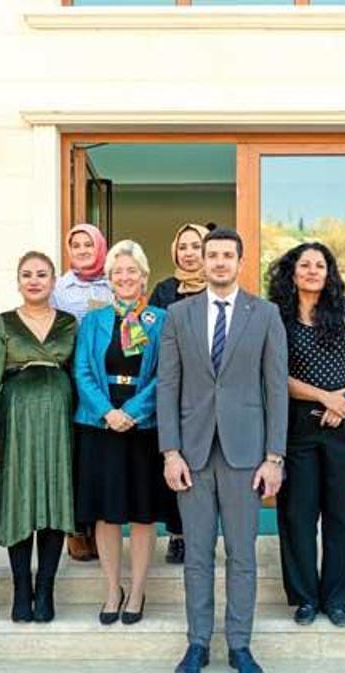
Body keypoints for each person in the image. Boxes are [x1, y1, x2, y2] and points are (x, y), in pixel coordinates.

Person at [158, 228, 288, 673]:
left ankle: (239, 645)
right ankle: (197, 644)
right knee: (196, 555)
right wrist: (170, 451)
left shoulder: (265, 314)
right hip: (191, 454)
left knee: (241, 555)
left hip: (246, 454)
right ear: (201, 260)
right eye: (210, 254)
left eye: (226, 255)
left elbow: (276, 389)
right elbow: (168, 386)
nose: (217, 262)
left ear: (240, 262)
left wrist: (274, 457)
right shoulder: (178, 315)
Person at [266, 242, 345, 628]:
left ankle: (336, 599)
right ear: (292, 272)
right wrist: (324, 396)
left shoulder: (344, 311)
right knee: (297, 514)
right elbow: (273, 374)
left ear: (329, 273)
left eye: (320, 265)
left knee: (341, 514)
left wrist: (344, 398)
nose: (312, 271)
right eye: (305, 265)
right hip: (297, 425)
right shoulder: (276, 317)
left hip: (343, 424)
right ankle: (305, 598)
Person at [73, 239, 172, 627]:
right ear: (109, 278)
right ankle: (113, 588)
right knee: (107, 512)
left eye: (132, 271)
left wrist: (131, 411)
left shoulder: (160, 320)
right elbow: (82, 370)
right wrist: (108, 412)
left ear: (144, 277)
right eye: (118, 272)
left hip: (143, 425)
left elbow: (167, 374)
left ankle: (137, 590)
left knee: (142, 513)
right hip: (100, 423)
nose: (125, 277)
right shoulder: (93, 321)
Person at [0, 252, 77, 624]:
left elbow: (78, 373)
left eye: (42, 274)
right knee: (18, 501)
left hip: (59, 422)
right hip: (14, 421)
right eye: (27, 275)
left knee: (54, 498)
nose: (34, 280)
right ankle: (21, 589)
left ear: (53, 281)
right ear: (18, 281)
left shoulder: (69, 323)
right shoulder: (3, 323)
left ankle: (46, 589)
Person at [148, 222, 210, 565]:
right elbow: (150, 337)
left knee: (207, 467)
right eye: (183, 247)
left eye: (195, 246)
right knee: (175, 462)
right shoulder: (164, 290)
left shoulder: (218, 287)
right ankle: (178, 535)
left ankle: (202, 536)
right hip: (174, 389)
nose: (188, 253)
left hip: (210, 392)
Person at [52, 223, 113, 562]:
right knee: (74, 454)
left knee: (99, 456)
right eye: (76, 245)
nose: (82, 250)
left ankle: (99, 526)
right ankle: (75, 528)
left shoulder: (113, 282)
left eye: (88, 244)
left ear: (100, 246)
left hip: (107, 383)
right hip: (72, 380)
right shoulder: (60, 288)